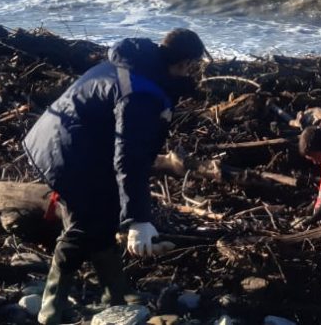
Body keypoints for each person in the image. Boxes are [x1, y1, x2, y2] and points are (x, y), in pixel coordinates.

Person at [23, 28, 209, 325]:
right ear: (186, 62)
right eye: (193, 66)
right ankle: (51, 305)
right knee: (84, 224)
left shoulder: (137, 64)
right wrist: (138, 218)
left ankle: (115, 293)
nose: (193, 72)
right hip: (65, 150)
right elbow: (130, 155)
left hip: (73, 139)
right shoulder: (140, 92)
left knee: (107, 211)